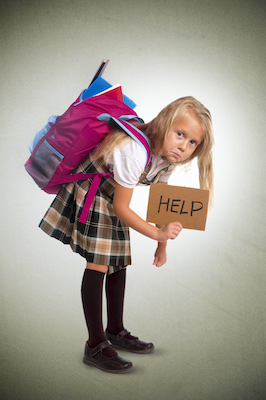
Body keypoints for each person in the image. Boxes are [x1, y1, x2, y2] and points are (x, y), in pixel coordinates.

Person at [39, 95, 214, 374]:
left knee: (119, 260)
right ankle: (95, 345)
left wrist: (162, 245)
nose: (184, 146)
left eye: (192, 142)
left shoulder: (167, 160)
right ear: (164, 124)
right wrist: (158, 236)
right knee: (99, 262)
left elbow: (161, 202)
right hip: (93, 194)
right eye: (180, 134)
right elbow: (122, 208)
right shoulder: (134, 151)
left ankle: (116, 330)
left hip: (113, 198)